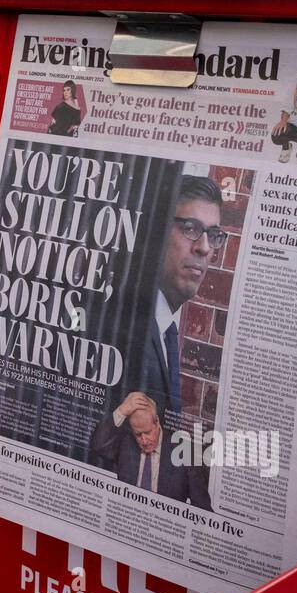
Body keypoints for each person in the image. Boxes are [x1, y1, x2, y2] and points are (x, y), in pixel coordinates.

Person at [88, 175, 225, 510]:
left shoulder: (166, 329)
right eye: (191, 227)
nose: (204, 247)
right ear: (156, 233)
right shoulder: (123, 327)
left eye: (214, 235)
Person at [89, 393, 210, 509]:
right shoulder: (125, 443)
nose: (144, 440)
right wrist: (121, 411)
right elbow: (98, 444)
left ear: (157, 422)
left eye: (147, 432)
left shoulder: (185, 452)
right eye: (138, 434)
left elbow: (202, 508)